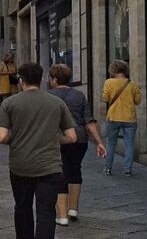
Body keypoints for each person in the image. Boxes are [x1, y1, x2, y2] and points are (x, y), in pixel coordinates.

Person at [0, 62, 76, 239]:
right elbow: (71, 137)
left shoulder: (9, 103)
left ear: (21, 80)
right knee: (46, 211)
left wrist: (15, 138)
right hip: (49, 166)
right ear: (41, 79)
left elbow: (1, 136)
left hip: (20, 165)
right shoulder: (56, 103)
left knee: (22, 208)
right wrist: (55, 138)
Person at [48, 64, 106, 225]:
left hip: (57, 138)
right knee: (75, 170)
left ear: (54, 80)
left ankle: (62, 216)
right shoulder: (79, 96)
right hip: (79, 139)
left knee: (60, 173)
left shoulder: (48, 96)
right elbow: (89, 121)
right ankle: (73, 209)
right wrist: (100, 143)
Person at [101, 60, 141, 176]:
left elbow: (105, 98)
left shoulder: (108, 82)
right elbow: (137, 101)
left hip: (113, 117)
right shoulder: (132, 84)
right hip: (130, 118)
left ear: (113, 70)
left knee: (111, 143)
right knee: (129, 144)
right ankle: (128, 170)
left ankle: (108, 168)